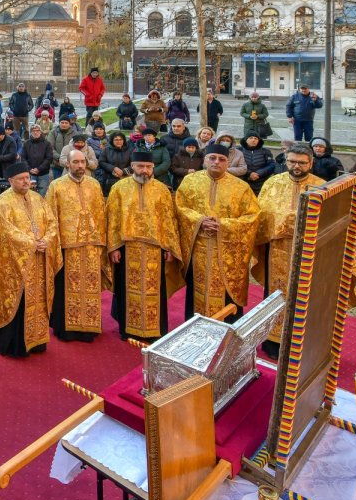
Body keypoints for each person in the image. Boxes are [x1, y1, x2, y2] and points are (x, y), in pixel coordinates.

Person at [251, 144, 324, 359]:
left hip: (308, 252)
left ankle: (303, 345)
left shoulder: (321, 188)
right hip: (277, 251)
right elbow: (262, 216)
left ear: (311, 163)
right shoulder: (273, 183)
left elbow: (327, 221)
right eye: (292, 161)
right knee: (276, 295)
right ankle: (273, 342)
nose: (296, 166)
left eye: (302, 162)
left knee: (305, 297)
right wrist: (282, 223)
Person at [175, 143, 260, 321]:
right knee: (196, 290)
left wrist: (223, 224)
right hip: (198, 249)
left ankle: (227, 334)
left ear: (228, 163)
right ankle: (194, 330)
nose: (216, 162)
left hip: (228, 253)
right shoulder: (190, 181)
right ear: (205, 160)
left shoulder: (241, 187)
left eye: (222, 159)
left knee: (226, 294)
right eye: (212, 158)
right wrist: (200, 221)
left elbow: (252, 216)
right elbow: (180, 207)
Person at [106, 148, 184, 341]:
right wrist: (113, 247)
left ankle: (154, 329)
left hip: (154, 250)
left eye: (148, 167)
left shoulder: (161, 189)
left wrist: (169, 248)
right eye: (140, 166)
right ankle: (128, 330)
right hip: (127, 248)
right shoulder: (120, 188)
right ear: (132, 166)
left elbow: (168, 220)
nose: (144, 170)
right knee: (126, 290)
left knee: (154, 290)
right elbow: (112, 219)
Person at [0, 160, 59, 358]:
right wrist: (31, 243)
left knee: (39, 298)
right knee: (19, 301)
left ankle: (37, 341)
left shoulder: (38, 198)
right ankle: (16, 346)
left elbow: (52, 222)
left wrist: (47, 239)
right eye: (21, 179)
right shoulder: (2, 201)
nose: (26, 181)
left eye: (28, 177)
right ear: (10, 180)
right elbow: (4, 230)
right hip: (16, 264)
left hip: (40, 259)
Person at [45, 151, 106, 342]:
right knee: (66, 288)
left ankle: (89, 327)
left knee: (90, 287)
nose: (80, 165)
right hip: (67, 247)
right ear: (68, 164)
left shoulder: (94, 184)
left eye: (82, 162)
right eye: (76, 162)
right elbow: (50, 217)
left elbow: (101, 213)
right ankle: (66, 329)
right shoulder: (57, 186)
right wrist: (54, 244)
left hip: (91, 246)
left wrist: (102, 242)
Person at [98, 131, 133, 196]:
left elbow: (134, 164)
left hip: (125, 179)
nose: (118, 141)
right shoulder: (106, 150)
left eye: (120, 139)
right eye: (116, 140)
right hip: (109, 179)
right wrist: (113, 168)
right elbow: (101, 162)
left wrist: (123, 171)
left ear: (124, 140)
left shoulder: (129, 150)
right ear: (112, 141)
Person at [24, 123, 54, 194]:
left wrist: (39, 169)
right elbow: (23, 158)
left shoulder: (47, 144)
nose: (35, 132)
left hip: (43, 174)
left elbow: (49, 158)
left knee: (42, 194)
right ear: (31, 132)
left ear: (40, 132)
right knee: (30, 194)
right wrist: (29, 169)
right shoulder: (26, 143)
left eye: (37, 130)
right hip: (30, 174)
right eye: (33, 130)